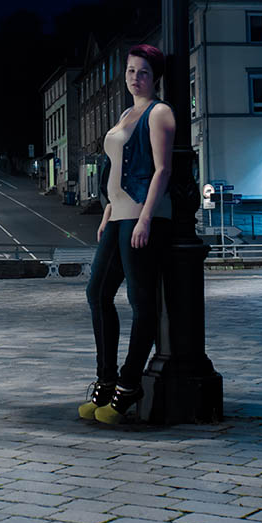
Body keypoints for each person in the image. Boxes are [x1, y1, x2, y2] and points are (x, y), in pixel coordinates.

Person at [79, 44, 176, 425]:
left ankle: (128, 384)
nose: (136, 78)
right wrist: (107, 209)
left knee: (141, 302)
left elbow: (162, 170)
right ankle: (105, 381)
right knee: (97, 293)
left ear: (155, 77)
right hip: (118, 216)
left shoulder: (159, 112)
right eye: (131, 71)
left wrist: (146, 219)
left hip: (140, 217)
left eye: (144, 72)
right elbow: (117, 165)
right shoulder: (125, 113)